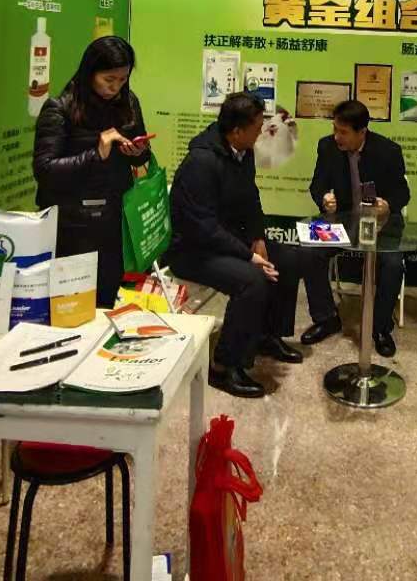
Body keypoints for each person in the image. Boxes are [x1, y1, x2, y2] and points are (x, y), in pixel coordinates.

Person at [166, 92, 303, 398]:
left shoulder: (243, 150)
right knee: (251, 281)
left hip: (226, 239)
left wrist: (258, 238)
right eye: (257, 127)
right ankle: (225, 366)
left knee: (288, 259)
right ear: (237, 131)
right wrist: (247, 256)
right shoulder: (201, 162)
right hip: (193, 249)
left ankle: (267, 335)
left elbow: (249, 198)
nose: (262, 132)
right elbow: (202, 228)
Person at [32, 36, 148, 310]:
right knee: (72, 306)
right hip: (73, 225)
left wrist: (137, 151)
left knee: (107, 300)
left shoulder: (128, 102)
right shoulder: (60, 108)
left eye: (122, 79)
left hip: (114, 218)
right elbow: (45, 170)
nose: (115, 87)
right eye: (109, 79)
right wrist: (96, 154)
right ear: (90, 72)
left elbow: (142, 152)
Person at [299, 99, 411, 358]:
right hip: (342, 222)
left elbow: (402, 192)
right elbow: (317, 185)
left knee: (393, 264)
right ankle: (326, 318)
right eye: (335, 129)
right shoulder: (327, 147)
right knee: (309, 252)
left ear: (362, 132)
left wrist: (387, 204)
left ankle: (380, 327)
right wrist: (324, 198)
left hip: (380, 224)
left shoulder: (388, 151)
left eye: (343, 132)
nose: (336, 136)